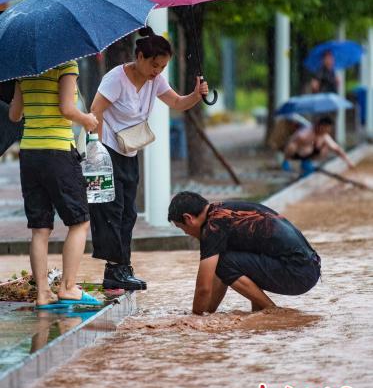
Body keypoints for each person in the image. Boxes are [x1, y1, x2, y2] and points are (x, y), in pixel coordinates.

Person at [90, 27, 208, 293]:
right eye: (154, 65)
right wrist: (95, 153)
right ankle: (114, 270)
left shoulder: (155, 80)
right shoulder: (115, 78)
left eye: (163, 66)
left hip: (129, 152)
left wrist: (196, 94)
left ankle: (123, 266)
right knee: (111, 211)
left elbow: (178, 103)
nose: (158, 71)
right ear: (139, 56)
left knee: (128, 213)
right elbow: (95, 112)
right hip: (106, 150)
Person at [9, 61, 101, 308]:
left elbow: (14, 115)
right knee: (80, 221)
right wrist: (87, 120)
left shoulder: (23, 69)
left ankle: (42, 294)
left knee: (39, 228)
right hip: (58, 152)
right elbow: (67, 109)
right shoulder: (66, 64)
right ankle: (69, 287)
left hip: (29, 153)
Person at [167, 192, 321, 315]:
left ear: (188, 218)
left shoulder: (213, 227)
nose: (186, 233)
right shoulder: (223, 212)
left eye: (181, 228)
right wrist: (209, 313)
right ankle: (262, 310)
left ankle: (271, 311)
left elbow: (203, 288)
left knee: (223, 262)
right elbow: (222, 276)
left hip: (298, 274)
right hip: (310, 267)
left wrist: (195, 318)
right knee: (227, 260)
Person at [283, 116, 355, 175]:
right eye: (326, 128)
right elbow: (293, 145)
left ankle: (312, 163)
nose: (328, 130)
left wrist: (348, 161)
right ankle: (287, 163)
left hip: (310, 156)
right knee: (292, 145)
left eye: (329, 129)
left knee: (326, 147)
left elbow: (337, 149)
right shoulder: (305, 133)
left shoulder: (324, 135)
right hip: (297, 154)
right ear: (320, 126)